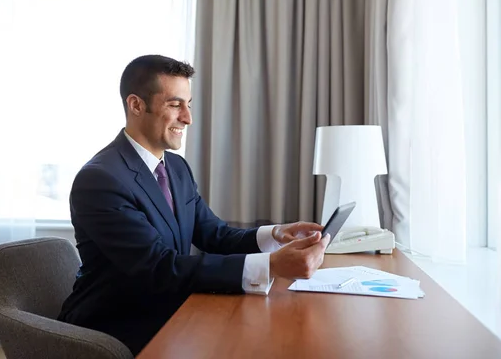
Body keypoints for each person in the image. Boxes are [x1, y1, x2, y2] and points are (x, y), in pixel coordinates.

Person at [57, 54, 331, 355]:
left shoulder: (175, 167)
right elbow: (158, 267)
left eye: (189, 105)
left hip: (172, 307)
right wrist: (272, 265)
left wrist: (276, 234)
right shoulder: (100, 180)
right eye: (175, 105)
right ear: (136, 105)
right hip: (118, 325)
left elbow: (214, 234)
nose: (187, 117)